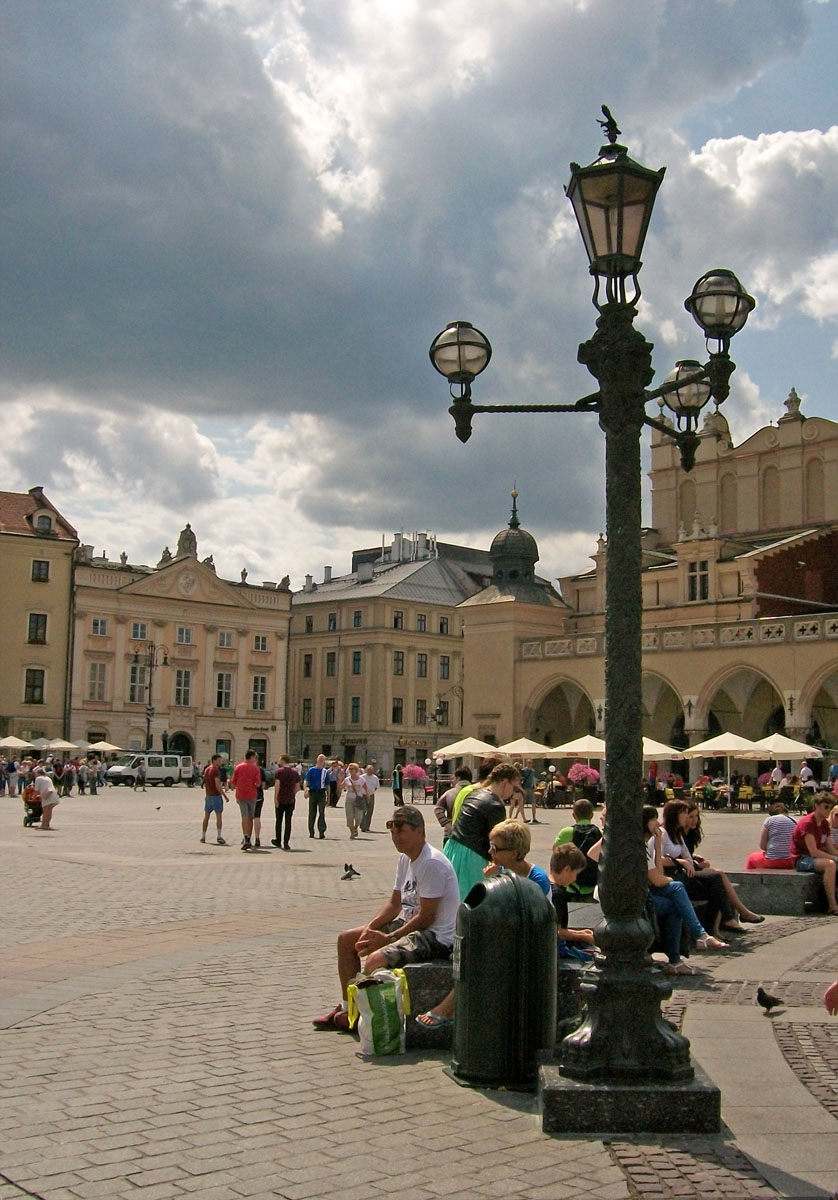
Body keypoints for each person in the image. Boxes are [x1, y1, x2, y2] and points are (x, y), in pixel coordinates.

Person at [313, 805, 460, 1031]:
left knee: (374, 960)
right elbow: (394, 904)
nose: (396, 837)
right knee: (347, 940)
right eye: (392, 831)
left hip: (435, 936)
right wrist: (371, 928)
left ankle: (367, 1015)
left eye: (401, 831)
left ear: (419, 831)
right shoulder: (405, 859)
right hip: (410, 923)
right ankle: (347, 1008)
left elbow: (426, 918)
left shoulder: (431, 863)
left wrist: (389, 938)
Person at [417, 818, 550, 1029]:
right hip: (509, 938)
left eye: (495, 848)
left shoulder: (536, 880)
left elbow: (526, 918)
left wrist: (497, 881)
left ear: (515, 853)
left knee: (481, 957)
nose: (489, 852)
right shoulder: (502, 871)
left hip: (532, 943)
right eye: (490, 846)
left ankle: (449, 1009)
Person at [644, 804, 727, 973]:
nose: (657, 823)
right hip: (638, 898)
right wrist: (672, 875)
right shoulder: (637, 846)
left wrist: (659, 845)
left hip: (647, 891)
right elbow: (658, 880)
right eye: (653, 819)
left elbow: (658, 874)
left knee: (677, 900)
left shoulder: (649, 844)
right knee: (677, 887)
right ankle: (698, 937)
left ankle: (680, 957)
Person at [682, 801, 764, 926]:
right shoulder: (678, 834)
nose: (694, 820)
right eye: (690, 817)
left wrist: (694, 856)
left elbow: (683, 853)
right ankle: (737, 914)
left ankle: (733, 918)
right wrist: (698, 865)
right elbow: (675, 856)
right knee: (718, 877)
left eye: (696, 816)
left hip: (691, 870)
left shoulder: (690, 833)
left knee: (718, 878)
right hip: (685, 874)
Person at [444, 763, 518, 899]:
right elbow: (499, 841)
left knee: (452, 898)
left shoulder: (474, 793)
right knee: (473, 901)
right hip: (472, 858)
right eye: (514, 787)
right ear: (505, 782)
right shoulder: (495, 804)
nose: (514, 793)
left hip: (452, 849)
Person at [790, 792, 838, 914]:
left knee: (832, 862)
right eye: (826, 807)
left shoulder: (825, 824)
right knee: (830, 864)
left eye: (830, 808)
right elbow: (813, 852)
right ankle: (832, 905)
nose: (828, 810)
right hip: (802, 859)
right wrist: (834, 858)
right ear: (816, 806)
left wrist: (836, 856)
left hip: (815, 858)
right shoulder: (808, 823)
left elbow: (831, 848)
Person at [548, 842, 596, 952]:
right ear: (567, 869)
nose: (575, 879)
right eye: (576, 873)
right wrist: (584, 937)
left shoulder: (545, 885)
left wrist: (580, 932)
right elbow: (559, 932)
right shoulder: (558, 895)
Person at [554, 797, 602, 897]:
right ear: (592, 815)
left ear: (574, 815)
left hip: (571, 886)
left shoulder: (566, 832)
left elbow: (556, 854)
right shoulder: (599, 833)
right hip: (593, 885)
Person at [745, 801, 798, 869]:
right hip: (791, 861)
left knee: (751, 858)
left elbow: (762, 846)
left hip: (773, 860)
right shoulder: (795, 821)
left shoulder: (769, 820)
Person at [231, 749, 262, 851]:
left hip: (241, 795)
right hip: (252, 795)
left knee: (244, 816)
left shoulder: (238, 767)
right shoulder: (255, 768)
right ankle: (249, 837)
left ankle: (245, 838)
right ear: (252, 757)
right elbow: (258, 783)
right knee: (250, 817)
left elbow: (233, 782)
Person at [433, 766, 472, 843]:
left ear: (458, 778)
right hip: (472, 835)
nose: (452, 781)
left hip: (451, 833)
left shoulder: (449, 793)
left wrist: (447, 824)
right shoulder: (478, 792)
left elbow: (438, 809)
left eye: (453, 778)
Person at [272, 755, 300, 849]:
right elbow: (297, 787)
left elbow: (277, 785)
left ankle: (278, 840)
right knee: (288, 822)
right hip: (290, 800)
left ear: (283, 760)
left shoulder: (279, 772)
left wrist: (275, 798)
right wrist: (292, 794)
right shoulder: (294, 772)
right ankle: (286, 842)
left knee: (279, 820)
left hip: (281, 799)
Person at [200, 754, 228, 844]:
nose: (220, 762)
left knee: (206, 817)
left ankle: (203, 836)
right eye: (219, 760)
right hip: (216, 796)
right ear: (214, 760)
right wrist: (225, 796)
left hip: (208, 796)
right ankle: (219, 836)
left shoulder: (207, 769)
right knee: (218, 816)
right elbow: (217, 785)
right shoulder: (215, 771)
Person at [304, 754, 330, 839]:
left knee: (321, 812)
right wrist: (305, 790)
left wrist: (328, 797)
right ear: (317, 760)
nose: (321, 761)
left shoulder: (325, 772)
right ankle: (311, 831)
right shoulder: (311, 770)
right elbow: (306, 780)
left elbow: (327, 785)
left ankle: (321, 831)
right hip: (313, 793)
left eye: (323, 759)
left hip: (321, 793)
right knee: (312, 813)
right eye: (320, 759)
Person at [341, 763, 368, 839]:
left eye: (352, 769)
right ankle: (352, 832)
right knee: (349, 816)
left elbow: (366, 788)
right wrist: (340, 779)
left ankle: (355, 827)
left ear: (356, 770)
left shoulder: (361, 779)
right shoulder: (347, 779)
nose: (350, 770)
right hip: (349, 799)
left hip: (358, 799)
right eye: (349, 769)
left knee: (358, 817)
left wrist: (367, 796)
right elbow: (340, 787)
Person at [359, 764, 380, 832]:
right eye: (368, 770)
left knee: (370, 811)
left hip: (371, 795)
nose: (369, 771)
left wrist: (371, 792)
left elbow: (376, 787)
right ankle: (362, 825)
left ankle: (367, 826)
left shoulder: (375, 778)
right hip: (363, 795)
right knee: (363, 810)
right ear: (366, 770)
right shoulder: (362, 777)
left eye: (371, 770)